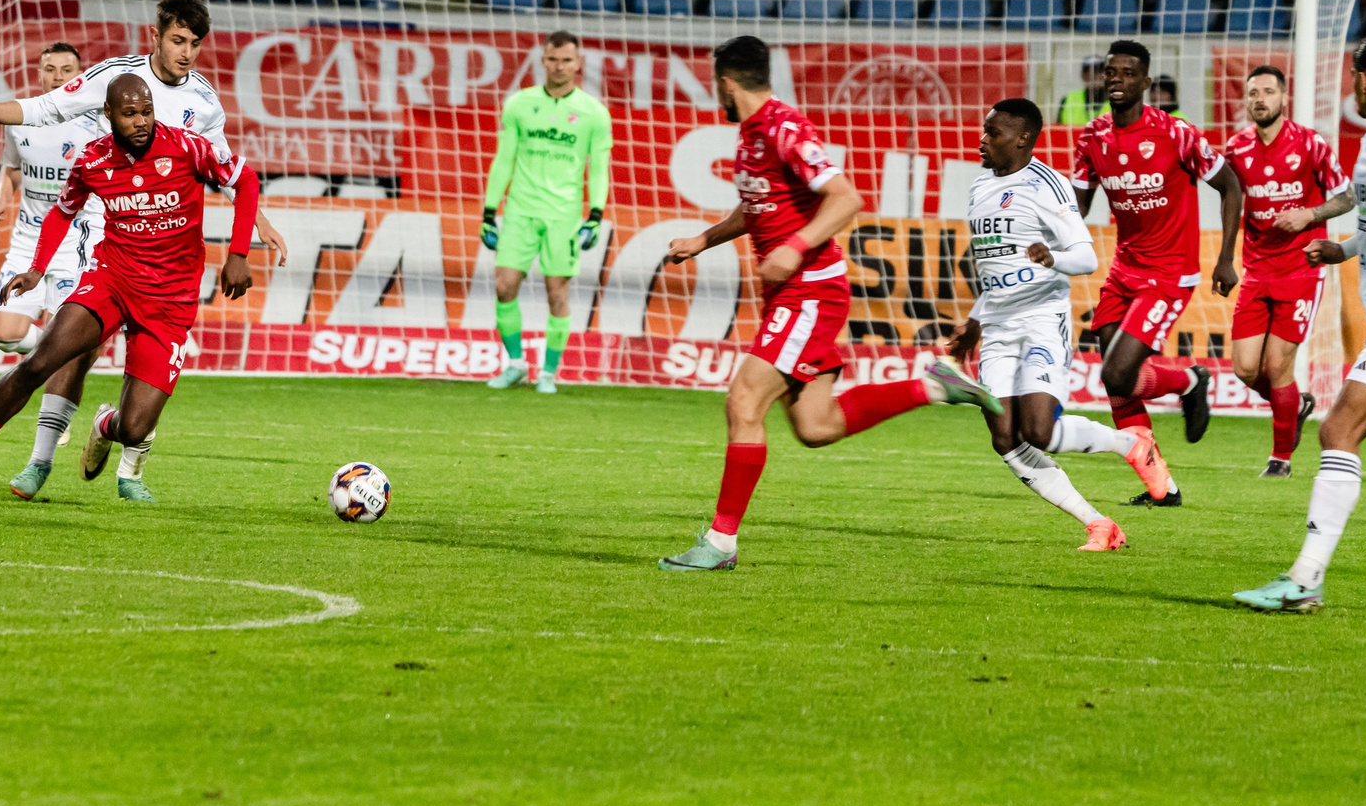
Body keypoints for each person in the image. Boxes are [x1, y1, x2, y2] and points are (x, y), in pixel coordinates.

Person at [656, 35, 996, 571]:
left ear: (725, 82)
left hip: (809, 289)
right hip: (794, 294)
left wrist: (794, 248)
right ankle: (935, 384)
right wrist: (703, 239)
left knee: (744, 402)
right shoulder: (749, 137)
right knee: (816, 427)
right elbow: (758, 208)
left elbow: (846, 197)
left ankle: (720, 543)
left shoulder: (783, 126)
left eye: (713, 84)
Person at [0, 72, 260, 503]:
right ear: (108, 115)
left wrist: (238, 253)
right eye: (129, 114)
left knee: (136, 428)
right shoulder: (93, 160)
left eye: (146, 111)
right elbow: (61, 212)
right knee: (40, 361)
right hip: (112, 281)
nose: (141, 121)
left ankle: (106, 425)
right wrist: (36, 269)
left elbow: (247, 180)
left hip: (170, 302)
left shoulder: (187, 147)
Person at [1236, 36, 1366, 613]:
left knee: (1337, 433)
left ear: (1364, 79)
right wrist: (1344, 249)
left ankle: (1304, 581)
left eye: (1353, 74)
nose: (1349, 83)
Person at [0, 0, 289, 320]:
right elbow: (45, 108)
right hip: (107, 225)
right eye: (178, 41)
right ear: (156, 36)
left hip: (164, 241)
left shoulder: (205, 100)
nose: (187, 54)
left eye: (195, 44)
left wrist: (259, 219)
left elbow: (226, 168)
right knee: (77, 329)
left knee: (110, 342)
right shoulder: (115, 78)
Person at [949, 98, 1147, 552]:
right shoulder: (980, 188)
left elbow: (1087, 256)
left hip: (1041, 320)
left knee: (1039, 431)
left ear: (1022, 138)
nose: (982, 139)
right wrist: (975, 321)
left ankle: (1128, 443)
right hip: (998, 327)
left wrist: (1051, 256)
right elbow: (993, 268)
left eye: (992, 133)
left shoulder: (1048, 185)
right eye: (984, 130)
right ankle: (1099, 524)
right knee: (1004, 437)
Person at [1070, 37, 1244, 505]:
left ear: (1145, 82)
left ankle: (1191, 380)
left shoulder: (1176, 133)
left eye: (1127, 73)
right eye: (1111, 72)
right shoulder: (1092, 136)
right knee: (1116, 379)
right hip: (1124, 270)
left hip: (1170, 274)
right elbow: (1078, 206)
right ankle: (1161, 486)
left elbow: (1231, 186)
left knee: (1118, 375)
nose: (1117, 80)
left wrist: (1226, 258)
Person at [0, 42, 110, 496]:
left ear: (81, 74)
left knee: (68, 350)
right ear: (38, 74)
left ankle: (39, 461)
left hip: (80, 241)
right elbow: (13, 168)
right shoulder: (22, 120)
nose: (58, 77)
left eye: (67, 70)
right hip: (28, 241)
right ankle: (61, 350)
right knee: (6, 334)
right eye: (50, 69)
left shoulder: (99, 120)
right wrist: (2, 197)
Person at [1223, 64, 1351, 477]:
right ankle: (1295, 404)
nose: (1259, 99)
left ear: (1283, 98)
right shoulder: (1236, 149)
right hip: (1257, 268)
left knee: (1278, 365)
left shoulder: (1310, 144)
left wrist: (1309, 214)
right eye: (1253, 92)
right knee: (1245, 368)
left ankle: (1281, 460)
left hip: (1301, 267)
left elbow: (1346, 197)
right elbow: (1225, 193)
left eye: (1267, 92)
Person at [479, 31, 612, 394]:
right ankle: (516, 364)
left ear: (578, 63)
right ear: (543, 61)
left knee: (557, 293)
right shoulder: (519, 104)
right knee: (504, 286)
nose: (560, 66)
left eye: (567, 60)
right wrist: (489, 211)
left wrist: (596, 215)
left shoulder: (593, 113)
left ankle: (549, 373)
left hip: (563, 216)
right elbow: (503, 159)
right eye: (553, 59)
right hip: (521, 210)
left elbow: (598, 169)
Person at [1055, 54, 1106, 125]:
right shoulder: (1068, 100)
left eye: (1098, 71)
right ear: (1083, 75)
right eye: (1088, 71)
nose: (1093, 75)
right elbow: (1057, 131)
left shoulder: (1118, 103)